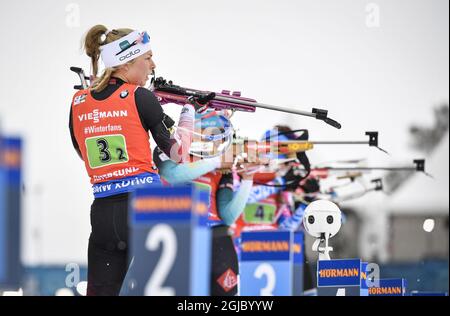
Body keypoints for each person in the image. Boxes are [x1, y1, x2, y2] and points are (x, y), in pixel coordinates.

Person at [69, 25, 194, 296]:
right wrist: (189, 112)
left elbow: (83, 152)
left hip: (103, 212)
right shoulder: (140, 97)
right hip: (145, 208)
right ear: (126, 62)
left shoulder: (79, 100)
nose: (153, 64)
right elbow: (179, 154)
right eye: (147, 58)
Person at [153, 110, 255, 296]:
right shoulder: (172, 150)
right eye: (209, 135)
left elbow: (227, 216)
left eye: (217, 137)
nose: (213, 142)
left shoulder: (222, 169)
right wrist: (216, 162)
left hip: (215, 238)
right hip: (180, 235)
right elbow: (174, 175)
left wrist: (248, 179)